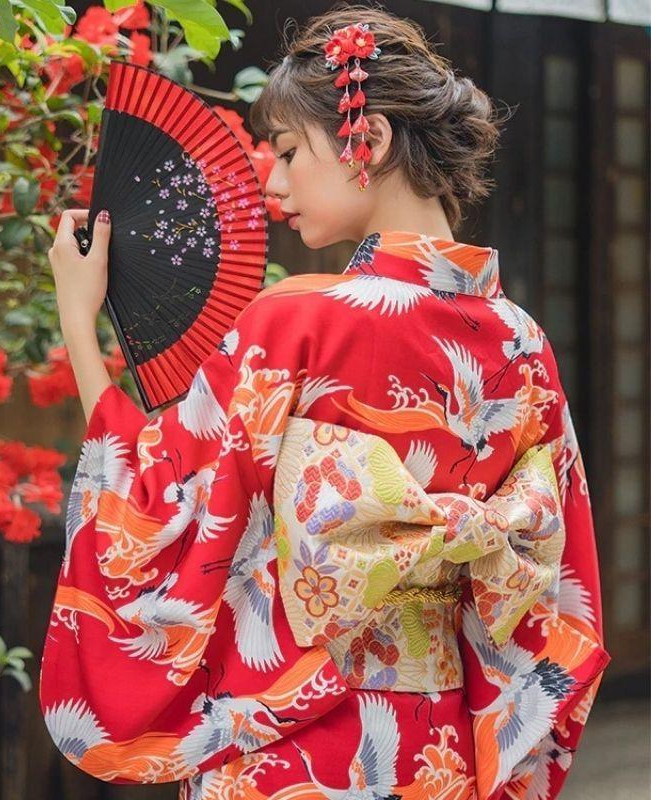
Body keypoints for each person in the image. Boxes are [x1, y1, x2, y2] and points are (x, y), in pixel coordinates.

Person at [38, 4, 611, 799]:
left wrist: (77, 318)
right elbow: (560, 578)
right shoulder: (523, 340)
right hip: (442, 752)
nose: (271, 182)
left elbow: (156, 503)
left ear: (364, 141)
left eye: (287, 152)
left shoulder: (296, 318)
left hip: (299, 746)